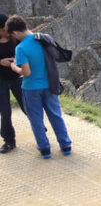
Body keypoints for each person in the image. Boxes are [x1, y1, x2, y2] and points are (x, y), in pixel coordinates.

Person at [5, 15, 71, 158]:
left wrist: (13, 66)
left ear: (15, 33)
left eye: (12, 35)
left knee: (36, 119)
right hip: (50, 84)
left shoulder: (21, 48)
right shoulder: (45, 38)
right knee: (55, 115)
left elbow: (26, 72)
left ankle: (45, 149)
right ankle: (66, 146)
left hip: (31, 88)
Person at [0, 13, 25, 154]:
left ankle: (39, 130)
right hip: (1, 80)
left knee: (27, 107)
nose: (6, 31)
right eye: (3, 28)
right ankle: (9, 141)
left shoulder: (16, 39)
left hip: (17, 78)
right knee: (5, 112)